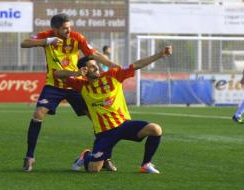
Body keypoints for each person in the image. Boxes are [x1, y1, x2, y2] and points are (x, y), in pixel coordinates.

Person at [20, 13, 118, 171]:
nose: (68, 30)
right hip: (53, 85)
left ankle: (104, 157)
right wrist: (47, 41)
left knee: (97, 119)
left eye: (69, 27)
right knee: (38, 114)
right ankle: (29, 157)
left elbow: (93, 53)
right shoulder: (47, 36)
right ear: (55, 29)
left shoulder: (77, 37)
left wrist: (112, 64)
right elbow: (24, 43)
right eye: (65, 28)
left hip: (75, 84)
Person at [54, 45, 172, 173]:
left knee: (155, 129)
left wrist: (160, 54)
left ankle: (145, 164)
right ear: (84, 70)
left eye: (96, 64)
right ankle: (86, 155)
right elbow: (57, 74)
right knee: (94, 169)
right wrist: (75, 73)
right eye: (92, 66)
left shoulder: (113, 75)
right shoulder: (80, 85)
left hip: (123, 125)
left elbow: (136, 65)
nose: (96, 67)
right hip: (104, 133)